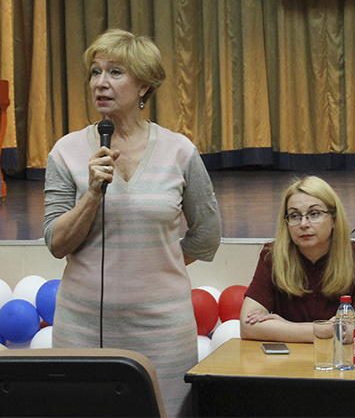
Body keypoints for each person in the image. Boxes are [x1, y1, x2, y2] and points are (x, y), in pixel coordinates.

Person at [43, 28, 222, 417]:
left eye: (115, 72)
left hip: (163, 331)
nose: (100, 83)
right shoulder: (66, 151)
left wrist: (154, 263)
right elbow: (56, 242)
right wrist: (92, 193)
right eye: (95, 72)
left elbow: (207, 235)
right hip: (82, 328)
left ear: (144, 85)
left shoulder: (179, 150)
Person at [240, 175, 355, 342]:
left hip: (342, 356)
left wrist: (285, 327)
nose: (304, 224)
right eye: (294, 216)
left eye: (314, 214)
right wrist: (325, 330)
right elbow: (247, 326)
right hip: (289, 357)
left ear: (334, 219)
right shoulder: (272, 256)